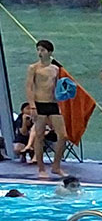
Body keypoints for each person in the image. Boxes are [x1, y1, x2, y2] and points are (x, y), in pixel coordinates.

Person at [22, 39, 65, 179]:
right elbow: (29, 87)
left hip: (52, 104)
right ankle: (41, 168)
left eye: (43, 50)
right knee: (39, 136)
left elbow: (58, 87)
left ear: (50, 52)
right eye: (38, 50)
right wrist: (32, 106)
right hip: (39, 104)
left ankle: (56, 166)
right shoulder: (33, 68)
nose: (40, 53)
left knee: (63, 136)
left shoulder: (56, 69)